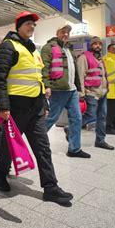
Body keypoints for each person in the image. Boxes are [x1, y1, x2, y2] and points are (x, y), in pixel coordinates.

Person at [0, 11, 73, 206]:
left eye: (34, 25)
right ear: (18, 25)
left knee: (43, 148)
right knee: (8, 147)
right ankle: (0, 174)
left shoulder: (34, 51)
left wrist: (43, 104)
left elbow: (39, 80)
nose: (32, 27)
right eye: (28, 23)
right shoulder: (8, 46)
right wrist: (3, 106)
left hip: (35, 108)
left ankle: (51, 187)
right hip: (15, 108)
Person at [41, 24, 90, 158]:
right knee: (51, 118)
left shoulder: (69, 50)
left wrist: (79, 89)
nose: (66, 34)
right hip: (58, 90)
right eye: (63, 32)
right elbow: (45, 68)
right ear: (57, 33)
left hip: (72, 90)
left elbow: (74, 72)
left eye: (68, 32)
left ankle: (74, 149)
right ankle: (37, 142)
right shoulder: (48, 48)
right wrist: (47, 85)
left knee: (77, 118)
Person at [77, 36, 115, 150]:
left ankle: (100, 140)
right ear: (91, 45)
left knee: (102, 117)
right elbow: (80, 76)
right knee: (90, 115)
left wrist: (106, 87)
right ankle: (71, 128)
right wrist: (81, 93)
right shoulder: (83, 58)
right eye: (95, 44)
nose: (98, 45)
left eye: (99, 44)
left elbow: (102, 75)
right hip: (91, 92)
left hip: (102, 93)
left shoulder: (101, 59)